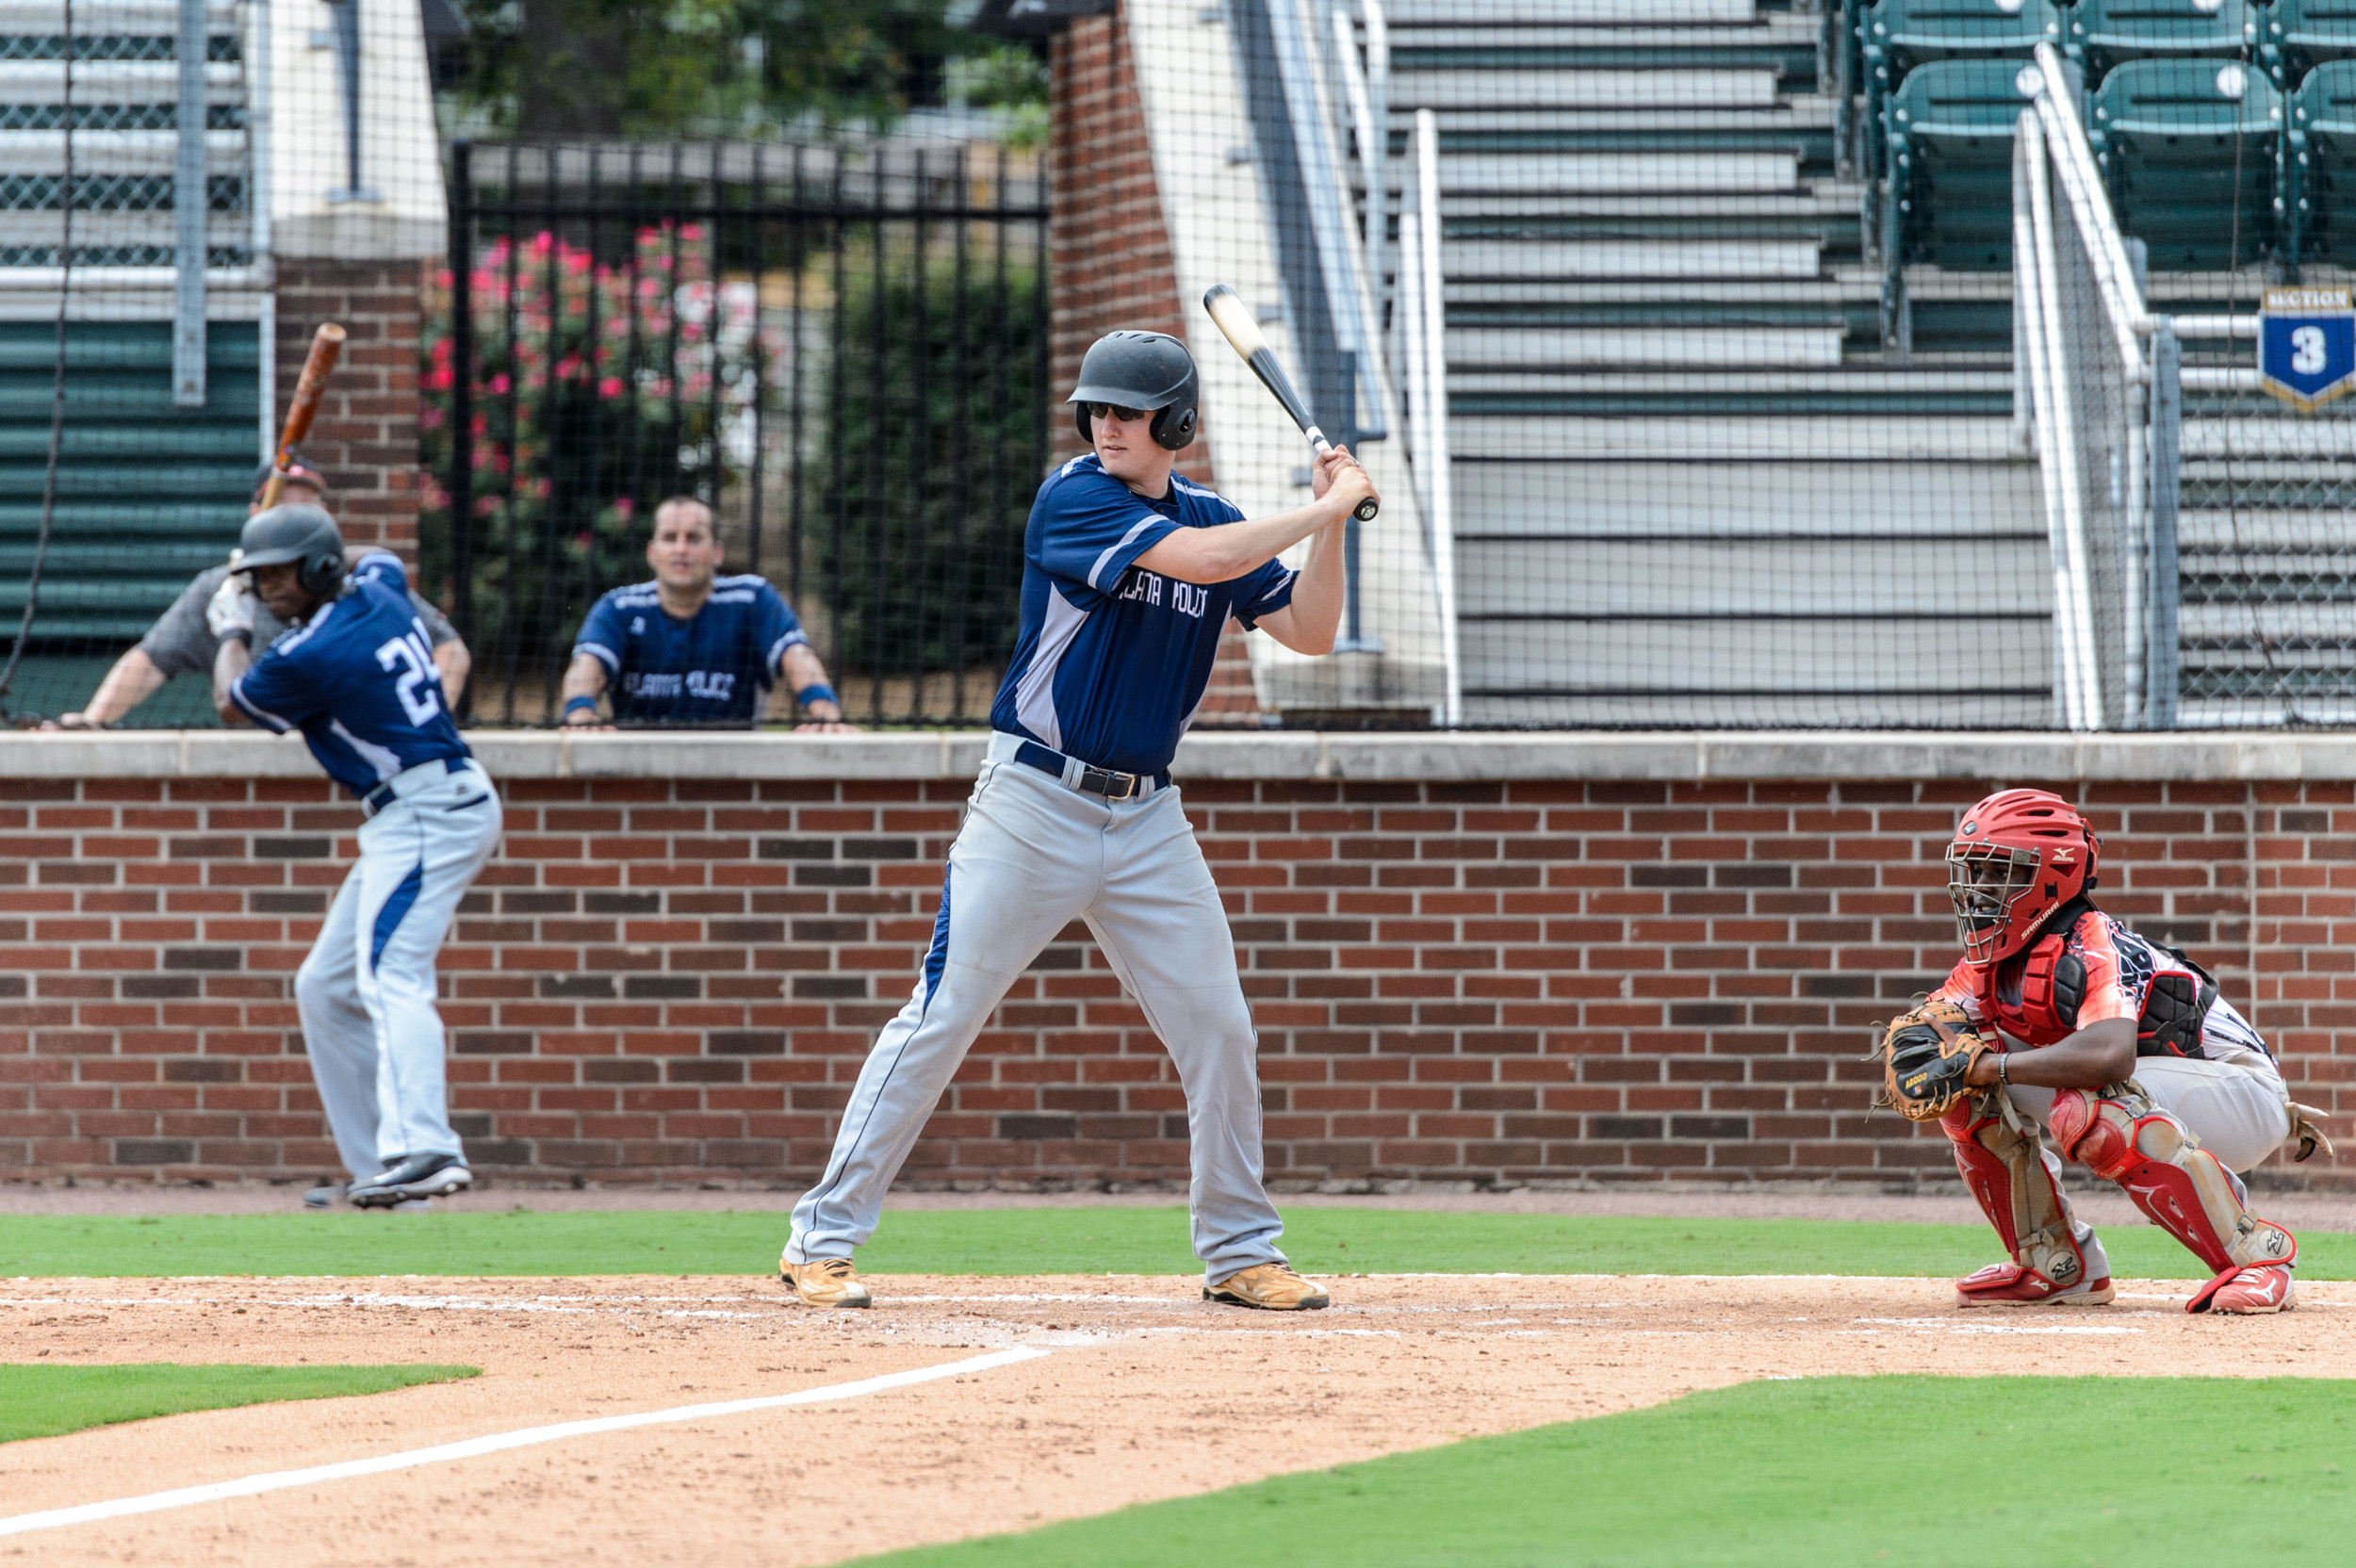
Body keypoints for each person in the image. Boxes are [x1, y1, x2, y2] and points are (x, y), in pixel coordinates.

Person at [776, 329, 1376, 1312]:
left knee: (1220, 1029)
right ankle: (820, 1239)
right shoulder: (1076, 497)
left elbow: (1310, 632)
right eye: (1096, 409)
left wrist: (1330, 526)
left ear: (1176, 425)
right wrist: (1323, 502)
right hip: (1032, 804)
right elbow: (1200, 560)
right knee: (942, 1014)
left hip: (1147, 819)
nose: (1106, 425)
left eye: (1128, 412)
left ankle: (1239, 1250)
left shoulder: (1218, 515)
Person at [1921, 789, 2332, 1315]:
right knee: (1961, 1087)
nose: (1980, 889)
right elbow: (1935, 1026)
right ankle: (2056, 1263)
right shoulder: (1991, 960)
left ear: (2052, 874)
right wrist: (1928, 1050)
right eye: (1975, 871)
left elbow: (2109, 1056)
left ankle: (2259, 1257)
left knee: (2092, 1103)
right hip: (2160, 1090)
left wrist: (1993, 1065)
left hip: (2244, 1095)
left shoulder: (2092, 942)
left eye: (1999, 871)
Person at [212, 504, 501, 1211]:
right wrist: (278, 549)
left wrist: (230, 626)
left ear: (319, 568)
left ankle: (426, 1148)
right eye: (259, 578)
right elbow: (374, 554)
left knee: (391, 973)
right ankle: (382, 1169)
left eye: (281, 574)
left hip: (427, 811)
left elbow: (231, 700)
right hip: (418, 809)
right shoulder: (379, 585)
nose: (267, 588)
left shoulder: (308, 655)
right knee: (324, 986)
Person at [49, 459, 469, 728]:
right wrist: (92, 720)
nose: (298, 521)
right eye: (285, 510)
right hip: (267, 767)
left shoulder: (360, 587)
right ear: (257, 516)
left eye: (309, 511)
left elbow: (450, 649)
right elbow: (150, 660)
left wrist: (427, 721)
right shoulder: (221, 589)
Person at [561, 496, 850, 729]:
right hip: (638, 771)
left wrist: (824, 711)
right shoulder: (619, 607)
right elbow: (587, 665)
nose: (681, 548)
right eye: (670, 537)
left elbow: (797, 655)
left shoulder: (752, 600)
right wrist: (580, 712)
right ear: (652, 552)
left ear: (717, 552)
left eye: (694, 538)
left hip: (733, 770)